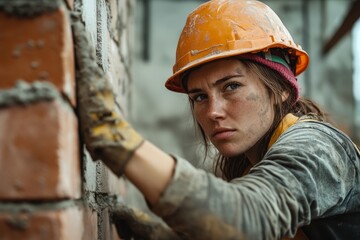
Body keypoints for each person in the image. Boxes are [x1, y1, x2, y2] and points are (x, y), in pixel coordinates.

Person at [75, 0, 360, 239]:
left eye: (231, 86)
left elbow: (247, 217)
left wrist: (119, 142)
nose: (212, 112)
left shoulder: (316, 148)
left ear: (282, 89)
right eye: (199, 97)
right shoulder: (250, 165)